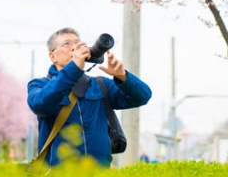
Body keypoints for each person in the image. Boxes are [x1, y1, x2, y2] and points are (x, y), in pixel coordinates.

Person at [27, 27, 152, 168]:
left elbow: (143, 96)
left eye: (77, 43)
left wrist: (122, 76)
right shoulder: (39, 85)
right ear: (52, 56)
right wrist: (74, 68)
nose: (74, 48)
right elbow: (40, 104)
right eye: (66, 44)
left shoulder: (100, 85)